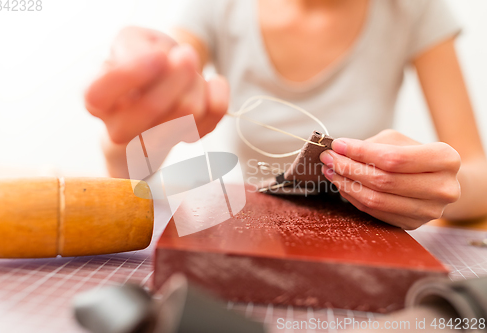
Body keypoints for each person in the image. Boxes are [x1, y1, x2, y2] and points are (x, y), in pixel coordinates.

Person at [84, 0, 487, 230]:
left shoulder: (412, 10)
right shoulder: (220, 9)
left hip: (367, 239)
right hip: (249, 237)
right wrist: (126, 132)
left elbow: (477, 173)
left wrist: (437, 187)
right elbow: (130, 168)